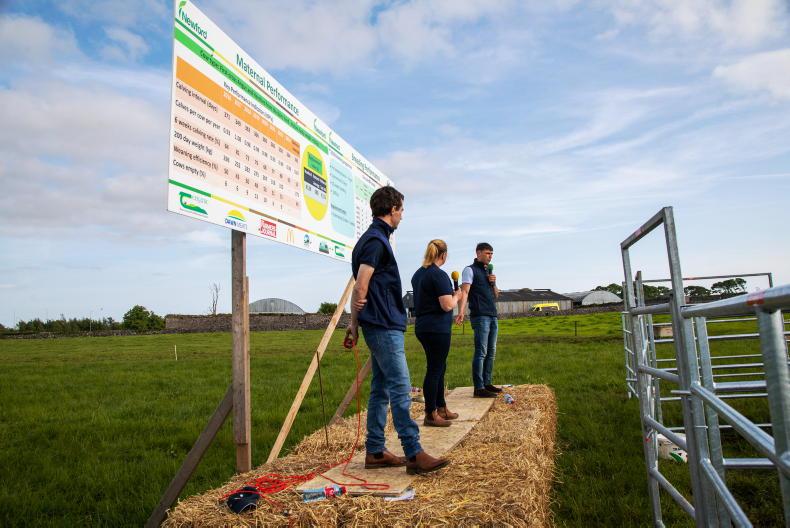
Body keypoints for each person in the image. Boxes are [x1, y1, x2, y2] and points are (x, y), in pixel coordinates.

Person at [345, 186, 449, 475]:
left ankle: (375, 451)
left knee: (380, 389)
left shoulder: (373, 239)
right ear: (392, 210)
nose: (402, 215)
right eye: (401, 210)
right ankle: (413, 452)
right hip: (383, 325)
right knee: (401, 389)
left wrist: (356, 323)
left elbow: (364, 283)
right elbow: (361, 284)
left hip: (379, 323)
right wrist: (353, 323)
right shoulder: (376, 241)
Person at [411, 239, 464, 427]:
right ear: (443, 255)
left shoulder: (418, 275)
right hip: (437, 328)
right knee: (435, 369)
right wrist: (456, 295)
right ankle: (430, 414)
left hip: (423, 326)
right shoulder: (439, 275)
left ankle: (441, 407)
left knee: (439, 367)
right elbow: (447, 304)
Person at [455, 242, 502, 398]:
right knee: (481, 351)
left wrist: (493, 283)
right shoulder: (470, 270)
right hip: (480, 315)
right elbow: (465, 291)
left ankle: (487, 383)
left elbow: (496, 295)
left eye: (492, 254)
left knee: (491, 352)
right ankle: (479, 387)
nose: (490, 256)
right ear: (478, 253)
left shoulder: (488, 272)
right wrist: (461, 311)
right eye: (488, 253)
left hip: (492, 315)